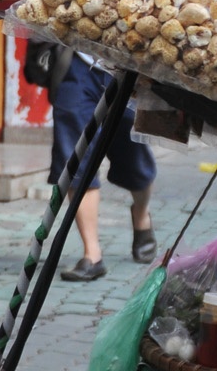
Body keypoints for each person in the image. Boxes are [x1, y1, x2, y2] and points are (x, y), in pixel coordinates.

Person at [42, 52, 157, 281]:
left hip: (130, 66)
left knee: (136, 159)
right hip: (78, 63)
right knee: (74, 158)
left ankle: (141, 215)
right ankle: (92, 254)